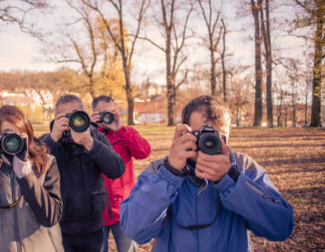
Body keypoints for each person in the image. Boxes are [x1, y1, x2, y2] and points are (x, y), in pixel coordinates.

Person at [120, 95, 294, 252]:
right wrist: (170, 174)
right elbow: (135, 230)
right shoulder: (160, 170)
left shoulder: (243, 167)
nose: (208, 143)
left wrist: (230, 179)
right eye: (201, 134)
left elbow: (281, 226)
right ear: (185, 132)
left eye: (219, 137)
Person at [0, 105, 64, 252]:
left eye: (19, 136)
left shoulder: (46, 163)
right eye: (7, 136)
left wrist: (25, 173)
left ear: (28, 134)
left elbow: (50, 217)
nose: (13, 142)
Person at [40, 94, 125, 252]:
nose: (70, 121)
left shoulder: (96, 138)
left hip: (92, 229)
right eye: (64, 116)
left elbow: (117, 170)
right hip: (58, 229)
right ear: (56, 118)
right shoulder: (48, 142)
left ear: (84, 116)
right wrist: (52, 140)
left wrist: (89, 143)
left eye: (75, 115)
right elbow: (32, 171)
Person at [90, 95, 151, 252]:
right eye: (102, 113)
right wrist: (89, 128)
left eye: (110, 112)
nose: (107, 117)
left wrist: (121, 130)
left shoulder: (124, 133)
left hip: (123, 208)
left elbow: (144, 152)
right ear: (94, 113)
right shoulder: (87, 137)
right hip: (96, 210)